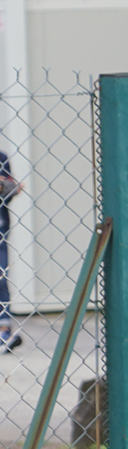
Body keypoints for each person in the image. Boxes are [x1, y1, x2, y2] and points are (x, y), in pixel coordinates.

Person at [0, 148, 24, 353]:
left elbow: (9, 188)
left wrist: (7, 187)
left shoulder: (2, 158)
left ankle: (3, 331)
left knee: (1, 276)